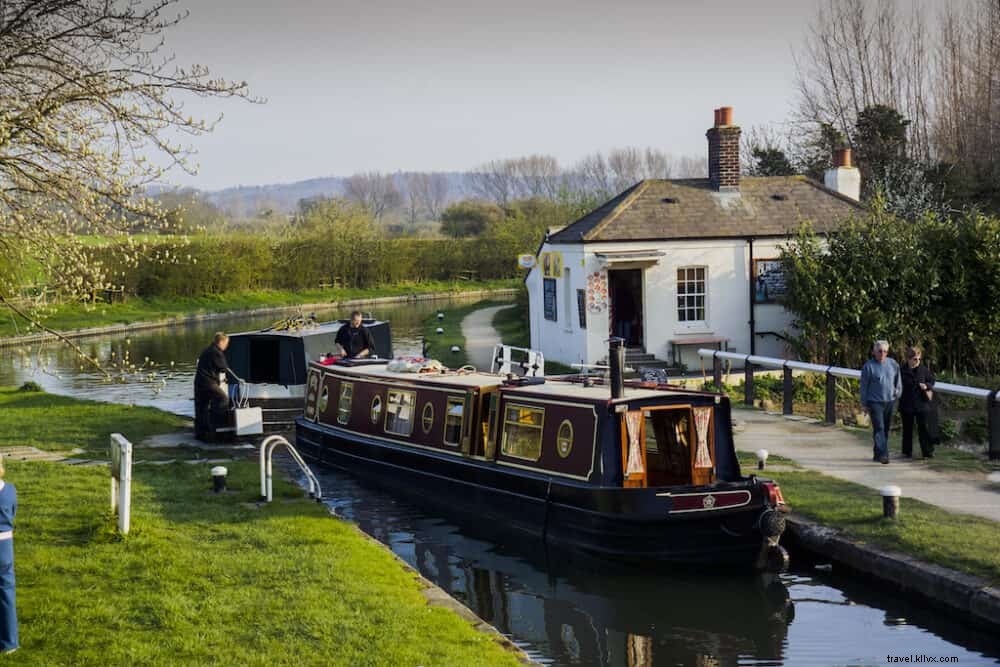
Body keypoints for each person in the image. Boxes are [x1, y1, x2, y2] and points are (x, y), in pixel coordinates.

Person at [860, 339, 901, 464]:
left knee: (885, 429)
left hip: (889, 401)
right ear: (874, 352)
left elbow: (898, 381)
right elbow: (864, 386)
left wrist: (897, 393)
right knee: (879, 428)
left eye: (885, 351)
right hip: (874, 402)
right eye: (880, 351)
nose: (882, 353)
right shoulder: (868, 366)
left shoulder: (893, 364)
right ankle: (884, 455)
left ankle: (877, 453)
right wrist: (864, 404)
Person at [194, 332, 238, 439]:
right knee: (223, 399)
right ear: (221, 342)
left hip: (199, 382)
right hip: (208, 383)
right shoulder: (216, 352)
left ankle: (202, 432)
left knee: (202, 407)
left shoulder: (207, 350)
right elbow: (223, 367)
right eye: (226, 344)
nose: (226, 346)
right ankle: (217, 425)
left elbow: (212, 367)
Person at [899, 345, 938, 459]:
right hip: (906, 404)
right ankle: (906, 452)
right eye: (915, 359)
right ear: (909, 359)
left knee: (924, 429)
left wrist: (926, 386)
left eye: (919, 359)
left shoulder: (924, 370)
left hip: (922, 404)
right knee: (907, 429)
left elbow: (932, 381)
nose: (917, 361)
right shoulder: (901, 370)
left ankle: (927, 452)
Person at [0, 454, 18, 654]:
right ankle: (9, 642)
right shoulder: (10, 490)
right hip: (5, 546)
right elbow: (12, 513)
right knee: (6, 593)